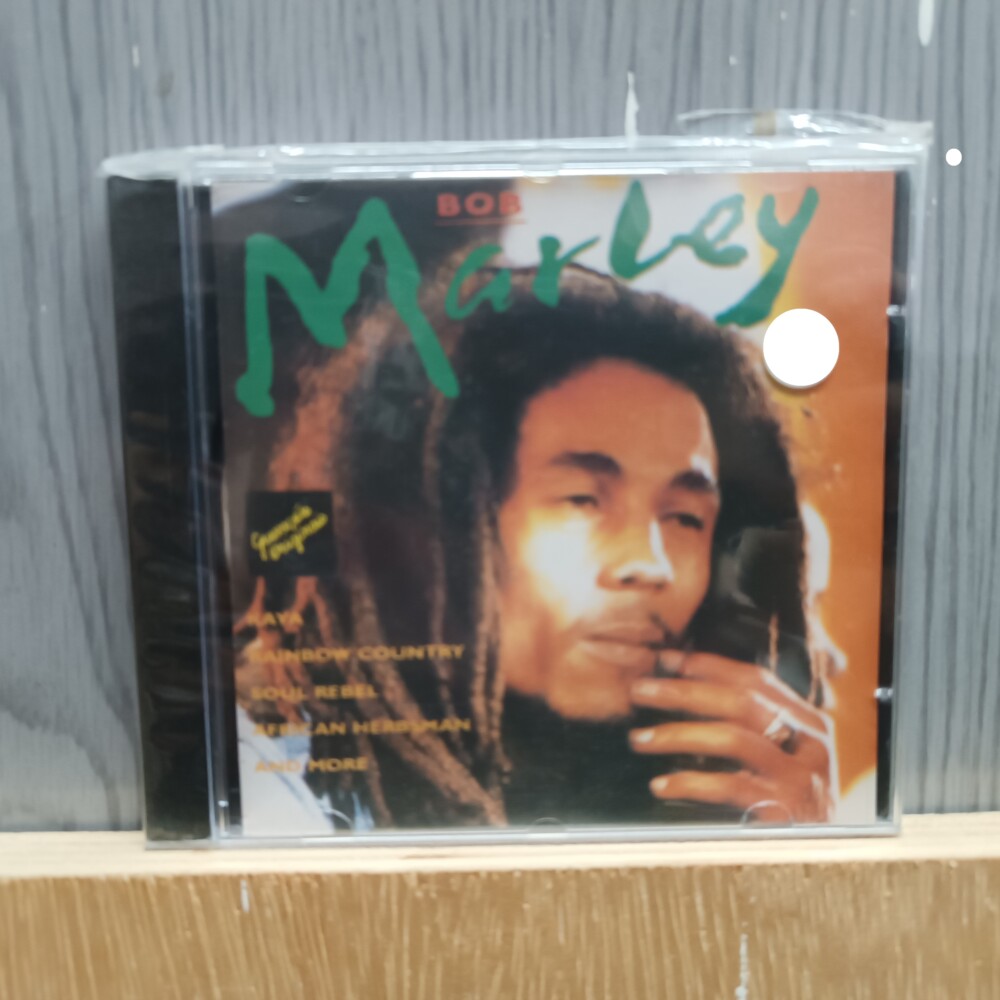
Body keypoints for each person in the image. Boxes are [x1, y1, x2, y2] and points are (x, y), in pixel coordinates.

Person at [235, 262, 836, 832]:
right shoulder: (263, 778)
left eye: (684, 517)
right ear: (434, 529)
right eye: (583, 501)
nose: (649, 565)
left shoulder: (729, 783)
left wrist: (804, 838)